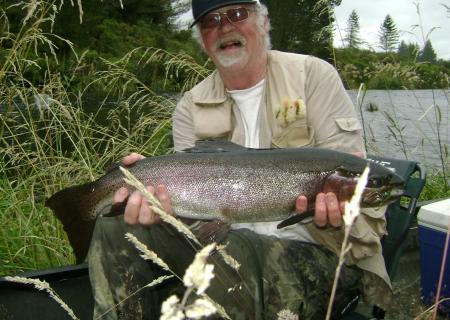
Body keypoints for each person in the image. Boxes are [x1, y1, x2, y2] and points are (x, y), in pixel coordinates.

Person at [88, 0, 393, 319]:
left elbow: (360, 198)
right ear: (203, 41)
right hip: (224, 244)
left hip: (322, 253)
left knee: (217, 262)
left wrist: (340, 211)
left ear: (263, 22)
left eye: (236, 14)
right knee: (114, 226)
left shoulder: (313, 76)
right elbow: (196, 220)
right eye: (210, 21)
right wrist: (157, 204)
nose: (224, 27)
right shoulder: (190, 108)